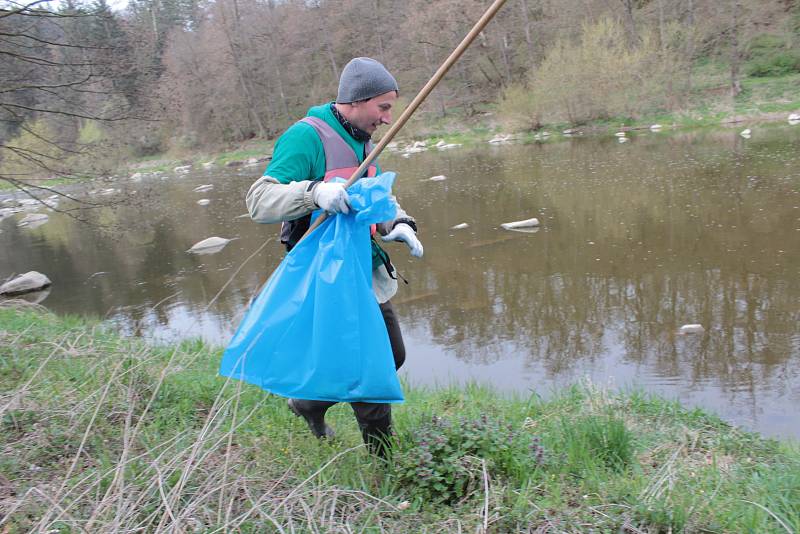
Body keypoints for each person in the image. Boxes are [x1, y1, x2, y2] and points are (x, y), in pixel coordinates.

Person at [245, 57, 423, 456]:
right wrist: (313, 192)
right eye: (383, 106)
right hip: (323, 274)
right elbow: (258, 201)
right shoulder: (305, 137)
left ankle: (308, 403)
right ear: (357, 101)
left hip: (364, 266)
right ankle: (386, 464)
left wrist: (399, 221)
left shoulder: (364, 138)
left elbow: (375, 195)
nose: (387, 117)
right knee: (367, 367)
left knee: (392, 354)